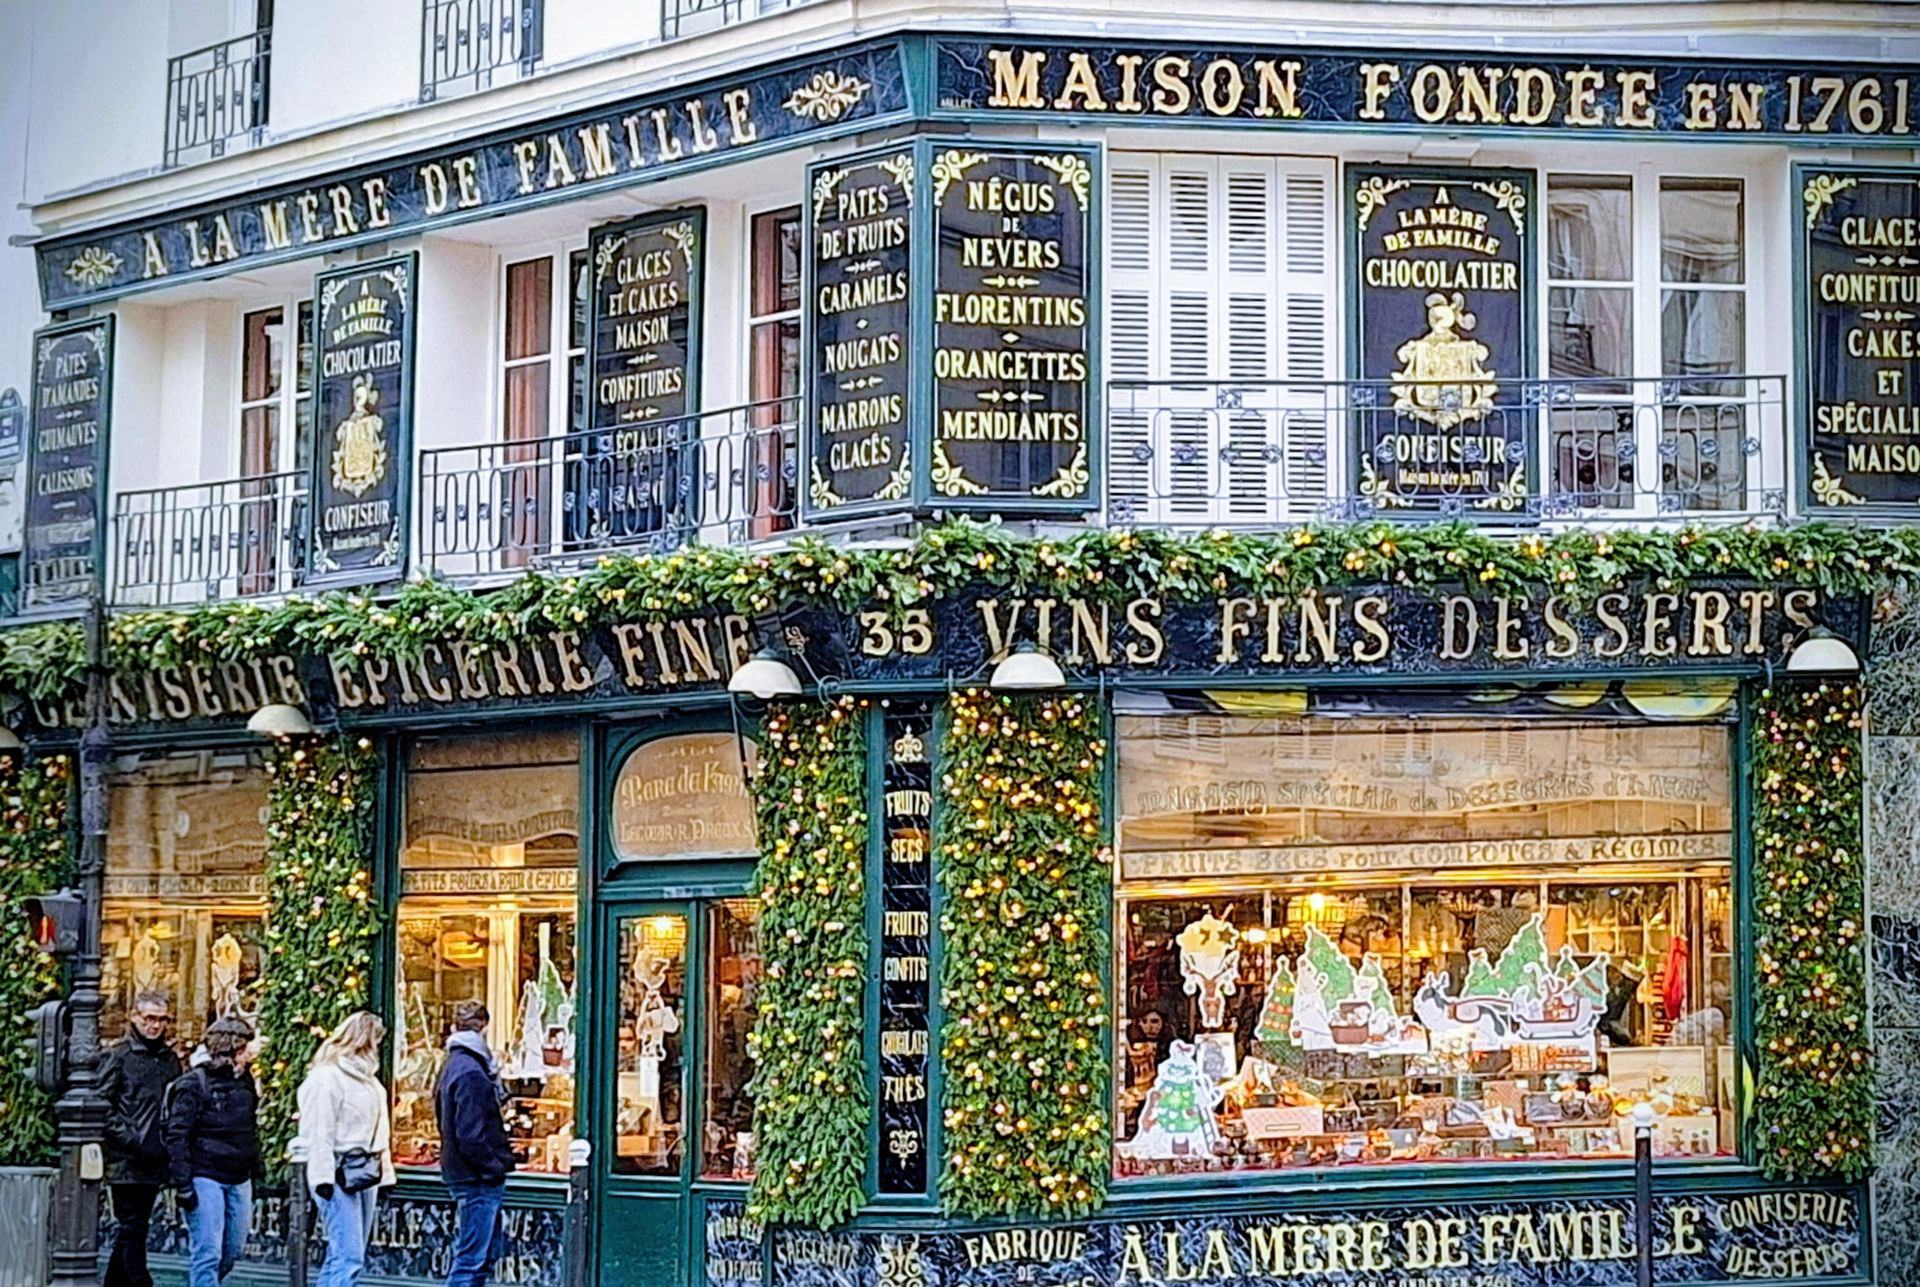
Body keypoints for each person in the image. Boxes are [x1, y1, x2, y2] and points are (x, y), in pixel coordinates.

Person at [296, 1012, 395, 1287]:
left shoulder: (369, 1080)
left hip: (364, 1169)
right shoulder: (327, 1078)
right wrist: (323, 1178)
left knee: (346, 1252)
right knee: (349, 1254)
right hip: (338, 1169)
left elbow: (380, 1130)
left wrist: (383, 1173)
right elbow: (319, 1131)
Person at [164, 1015, 261, 1287]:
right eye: (245, 1050)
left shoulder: (245, 1081)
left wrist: (256, 1167)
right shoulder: (193, 1084)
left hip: (239, 1174)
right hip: (205, 1174)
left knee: (233, 1248)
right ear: (232, 1050)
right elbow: (177, 1135)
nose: (249, 1056)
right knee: (208, 1250)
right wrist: (183, 1183)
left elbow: (249, 1127)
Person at [99, 992, 183, 1287]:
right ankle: (139, 1282)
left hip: (155, 1157)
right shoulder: (119, 1055)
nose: (155, 1025)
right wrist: (130, 1138)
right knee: (132, 1226)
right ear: (135, 1017)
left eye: (161, 1020)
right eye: (149, 1018)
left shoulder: (169, 1059)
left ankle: (115, 1283)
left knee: (134, 1228)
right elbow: (101, 1105)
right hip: (126, 1158)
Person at [436, 1001, 516, 1287]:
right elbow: (471, 1135)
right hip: (476, 1178)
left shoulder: (453, 1065)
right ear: (483, 1028)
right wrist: (496, 1166)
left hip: (467, 1174)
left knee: (476, 1258)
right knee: (472, 1261)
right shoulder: (470, 1071)